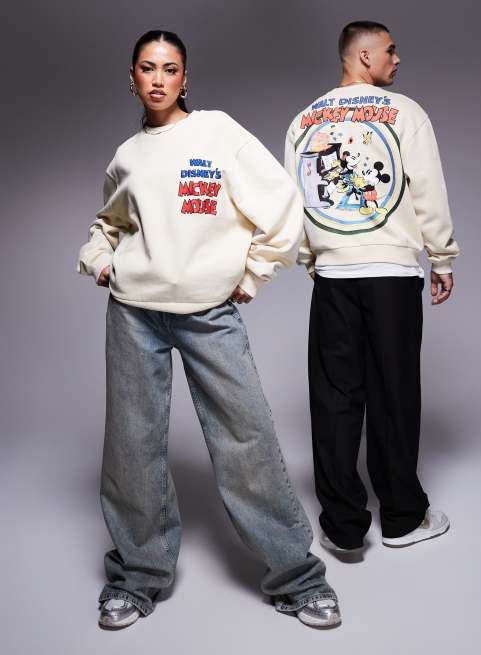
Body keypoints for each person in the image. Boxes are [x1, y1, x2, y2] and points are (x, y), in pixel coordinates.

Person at [76, 30, 340, 630]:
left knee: (247, 440)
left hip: (208, 312)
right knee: (132, 448)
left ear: (185, 78)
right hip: (134, 312)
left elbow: (282, 203)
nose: (159, 79)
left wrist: (255, 272)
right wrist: (101, 260)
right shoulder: (127, 155)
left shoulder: (218, 132)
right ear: (132, 78)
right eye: (148, 68)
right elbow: (107, 224)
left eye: (170, 68)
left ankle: (297, 578)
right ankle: (137, 577)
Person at [284, 21, 460, 554]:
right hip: (391, 273)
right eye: (390, 50)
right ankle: (403, 517)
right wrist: (442, 256)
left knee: (334, 399)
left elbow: (297, 200)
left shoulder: (304, 121)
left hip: (334, 276)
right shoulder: (405, 113)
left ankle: (343, 527)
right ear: (363, 56)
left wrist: (314, 259)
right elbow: (427, 189)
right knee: (394, 392)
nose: (397, 59)